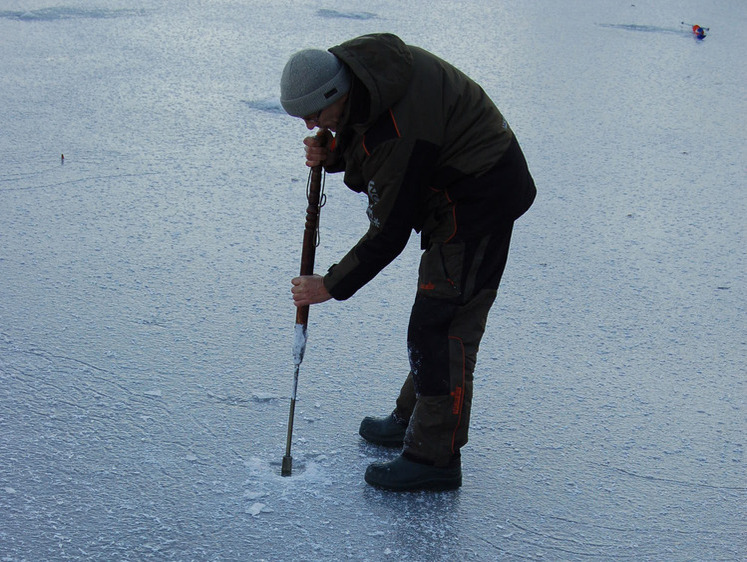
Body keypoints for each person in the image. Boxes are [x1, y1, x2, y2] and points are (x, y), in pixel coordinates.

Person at [279, 33, 536, 491]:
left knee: (443, 325)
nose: (311, 123)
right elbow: (367, 137)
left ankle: (435, 458)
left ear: (335, 94)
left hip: (480, 198)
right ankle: (414, 417)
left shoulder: (398, 128)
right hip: (449, 187)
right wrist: (336, 153)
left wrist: (330, 285)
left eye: (316, 115)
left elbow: (390, 230)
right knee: (434, 322)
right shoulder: (363, 76)